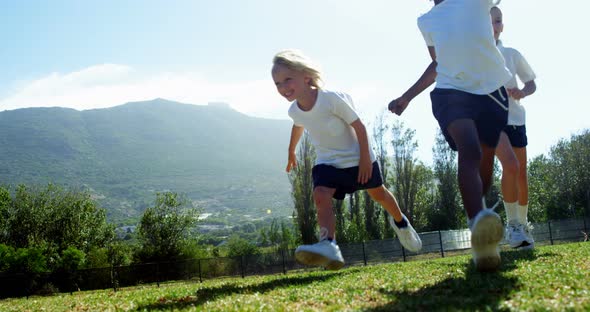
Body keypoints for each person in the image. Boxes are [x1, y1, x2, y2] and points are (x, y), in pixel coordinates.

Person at [388, 0, 511, 271]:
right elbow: (438, 62)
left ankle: (483, 231)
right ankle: (477, 221)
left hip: (492, 92)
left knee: (485, 160)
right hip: (451, 92)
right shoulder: (427, 20)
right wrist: (407, 96)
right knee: (470, 149)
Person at [271, 49, 422, 270]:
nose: (283, 88)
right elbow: (298, 124)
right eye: (277, 84)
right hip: (328, 162)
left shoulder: (330, 99)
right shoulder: (294, 110)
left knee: (378, 194)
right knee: (320, 194)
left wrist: (364, 160)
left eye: (287, 80)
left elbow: (359, 127)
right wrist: (291, 151)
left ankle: (401, 222)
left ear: (305, 76)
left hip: (358, 158)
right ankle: (328, 244)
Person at [491, 5, 537, 250]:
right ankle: (513, 225)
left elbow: (531, 83)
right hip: (493, 122)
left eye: (498, 21)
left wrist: (522, 92)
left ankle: (523, 224)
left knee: (521, 172)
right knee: (510, 166)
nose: (494, 26)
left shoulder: (512, 54)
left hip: (517, 119)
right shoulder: (478, 57)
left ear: (502, 25)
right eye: (489, 22)